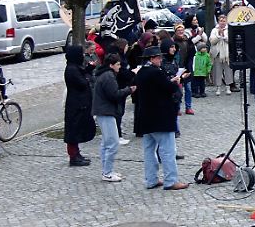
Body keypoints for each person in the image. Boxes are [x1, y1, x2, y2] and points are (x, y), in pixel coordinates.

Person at [133, 45, 188, 190]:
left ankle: (151, 179)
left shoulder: (141, 72)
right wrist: (176, 81)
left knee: (149, 151)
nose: (161, 60)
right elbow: (168, 88)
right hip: (161, 117)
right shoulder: (156, 73)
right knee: (168, 150)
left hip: (145, 117)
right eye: (158, 57)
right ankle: (171, 180)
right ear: (152, 59)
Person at [92, 54, 133, 182]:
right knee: (112, 143)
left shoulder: (105, 75)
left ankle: (107, 170)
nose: (119, 67)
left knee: (106, 143)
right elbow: (114, 94)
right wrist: (129, 90)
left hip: (103, 111)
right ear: (111, 65)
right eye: (118, 64)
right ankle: (107, 172)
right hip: (106, 112)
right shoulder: (108, 77)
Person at [63, 44, 95, 167]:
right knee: (73, 131)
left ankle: (77, 154)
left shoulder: (75, 67)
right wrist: (87, 78)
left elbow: (83, 75)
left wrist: (89, 69)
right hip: (75, 104)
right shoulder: (71, 69)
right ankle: (73, 157)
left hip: (79, 103)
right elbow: (82, 83)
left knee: (77, 130)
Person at [209, 16, 234, 95]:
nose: (222, 22)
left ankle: (228, 86)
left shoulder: (229, 29)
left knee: (228, 71)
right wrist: (219, 36)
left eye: (224, 21)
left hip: (227, 53)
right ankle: (218, 87)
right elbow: (212, 41)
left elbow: (231, 40)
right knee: (217, 71)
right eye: (221, 21)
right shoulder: (214, 30)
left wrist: (224, 36)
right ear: (218, 22)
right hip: (217, 53)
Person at [191, 41, 212, 107]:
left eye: (205, 48)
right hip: (196, 72)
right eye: (203, 48)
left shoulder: (207, 56)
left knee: (202, 83)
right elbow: (193, 64)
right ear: (199, 49)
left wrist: (208, 69)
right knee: (196, 83)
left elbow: (209, 63)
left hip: (203, 72)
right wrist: (193, 71)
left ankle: (202, 92)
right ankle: (196, 92)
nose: (205, 49)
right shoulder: (196, 56)